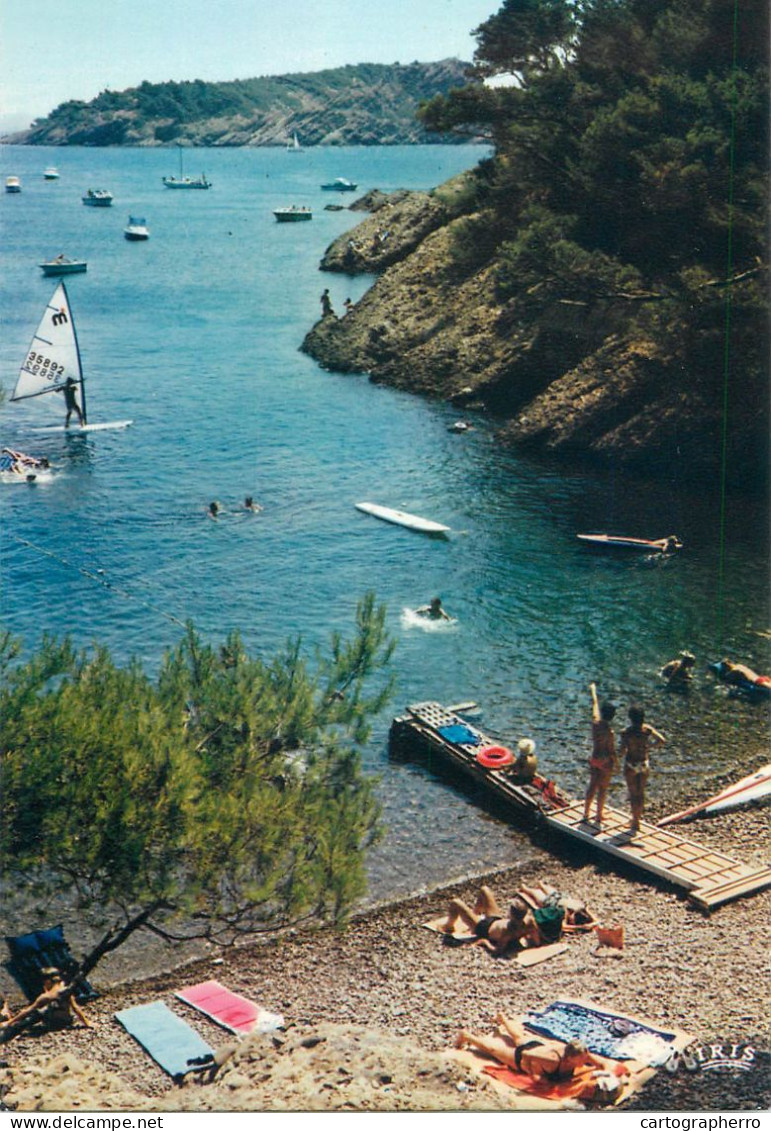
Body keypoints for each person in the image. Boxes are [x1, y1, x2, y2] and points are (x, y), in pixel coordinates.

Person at [456, 1013, 622, 1099]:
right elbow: (528, 1054)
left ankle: (503, 1019)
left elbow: (603, 1064)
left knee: (519, 1037)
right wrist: (533, 1074)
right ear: (570, 1059)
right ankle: (467, 1036)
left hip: (539, 1046)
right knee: (494, 1050)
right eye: (582, 1060)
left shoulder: (581, 1054)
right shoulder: (552, 1060)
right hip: (526, 1056)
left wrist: (609, 1074)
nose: (586, 1061)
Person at [443, 886, 564, 953]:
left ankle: (448, 926)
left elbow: (497, 950)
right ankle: (475, 913)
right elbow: (537, 942)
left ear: (511, 914)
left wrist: (484, 942)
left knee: (456, 903)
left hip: (482, 928)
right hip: (496, 920)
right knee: (485, 890)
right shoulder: (530, 922)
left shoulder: (507, 931)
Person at [620, 705, 665, 832]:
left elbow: (622, 751)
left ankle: (634, 822)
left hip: (631, 764)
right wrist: (649, 746)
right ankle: (636, 820)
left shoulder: (626, 732)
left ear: (630, 717)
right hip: (644, 763)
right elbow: (662, 740)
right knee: (641, 793)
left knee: (633, 793)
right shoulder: (647, 730)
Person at [3, 968, 94, 1031]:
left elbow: (28, 1010)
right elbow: (75, 1008)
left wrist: (10, 1022)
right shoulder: (66, 992)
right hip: (67, 1021)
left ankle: (12, 1024)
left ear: (48, 981)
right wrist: (87, 1023)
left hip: (52, 1024)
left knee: (34, 1011)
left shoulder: (46, 996)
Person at [583, 684, 617, 826]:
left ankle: (585, 813)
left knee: (592, 786)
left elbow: (595, 704)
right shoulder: (610, 732)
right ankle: (598, 815)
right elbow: (611, 750)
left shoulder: (595, 724)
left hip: (595, 758)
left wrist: (593, 690)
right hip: (605, 761)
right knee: (602, 788)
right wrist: (616, 762)